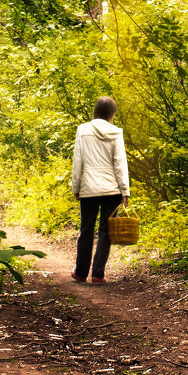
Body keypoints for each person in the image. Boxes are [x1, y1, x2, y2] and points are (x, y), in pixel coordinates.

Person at [70, 96, 130, 284]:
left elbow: (77, 161)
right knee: (106, 232)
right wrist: (124, 190)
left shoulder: (82, 130)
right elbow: (120, 162)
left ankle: (80, 273)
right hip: (112, 190)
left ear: (95, 110)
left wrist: (76, 186)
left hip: (89, 188)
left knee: (86, 230)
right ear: (112, 114)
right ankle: (98, 274)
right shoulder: (116, 132)